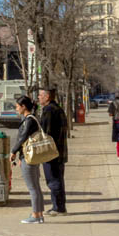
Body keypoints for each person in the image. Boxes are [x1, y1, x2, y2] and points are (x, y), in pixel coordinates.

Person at [10, 95, 44, 224]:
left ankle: (35, 215)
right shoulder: (32, 119)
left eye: (17, 106)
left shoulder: (29, 120)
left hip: (29, 158)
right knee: (36, 186)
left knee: (32, 188)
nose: (16, 109)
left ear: (23, 107)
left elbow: (22, 138)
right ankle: (39, 213)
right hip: (32, 157)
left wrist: (13, 152)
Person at [39, 87, 68, 216]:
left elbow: (46, 133)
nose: (38, 97)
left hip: (51, 152)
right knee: (58, 179)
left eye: (40, 95)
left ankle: (58, 207)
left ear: (47, 97)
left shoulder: (49, 111)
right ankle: (60, 206)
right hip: (60, 151)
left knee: (53, 179)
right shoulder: (58, 109)